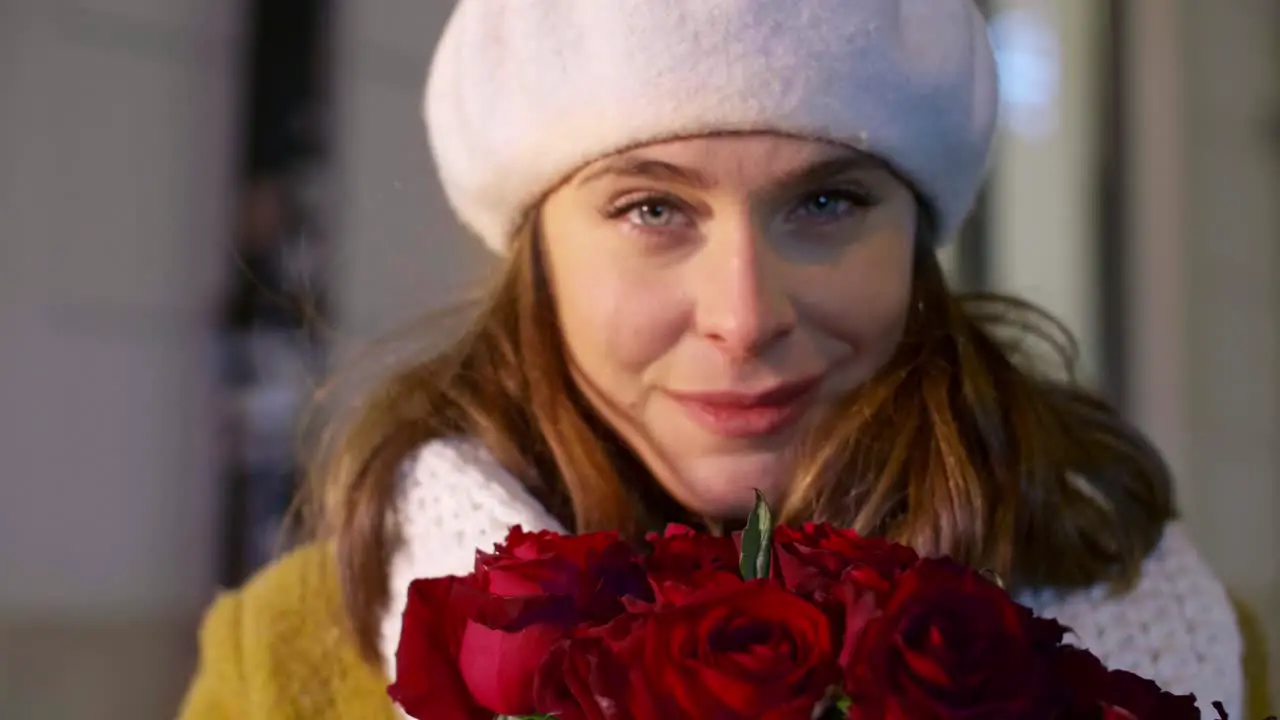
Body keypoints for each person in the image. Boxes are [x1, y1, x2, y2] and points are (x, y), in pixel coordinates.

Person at [179, 1, 1248, 718]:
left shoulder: (1166, 633)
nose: (743, 315)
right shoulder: (293, 659)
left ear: (916, 246)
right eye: (652, 208)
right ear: (536, 256)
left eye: (826, 201)